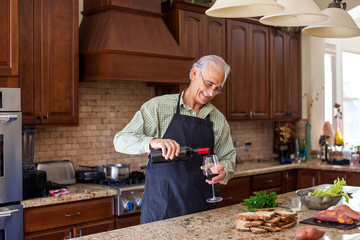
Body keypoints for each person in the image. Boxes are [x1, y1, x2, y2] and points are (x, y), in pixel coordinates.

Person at [113, 55, 236, 224]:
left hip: (202, 212)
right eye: (208, 84)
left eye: (217, 88)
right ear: (193, 74)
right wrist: (152, 142)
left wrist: (224, 171)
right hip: (161, 212)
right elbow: (120, 140)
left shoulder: (218, 120)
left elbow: (228, 157)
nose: (211, 93)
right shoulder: (158, 107)